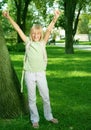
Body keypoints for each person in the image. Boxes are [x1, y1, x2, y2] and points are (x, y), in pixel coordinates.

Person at [3, 9, 60, 128]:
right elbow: (18, 29)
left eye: (38, 33)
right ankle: (35, 119)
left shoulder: (42, 43)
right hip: (29, 74)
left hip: (40, 74)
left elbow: (49, 30)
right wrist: (9, 18)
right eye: (33, 33)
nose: (36, 35)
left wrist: (55, 18)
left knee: (46, 97)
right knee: (32, 99)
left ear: (41, 34)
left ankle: (49, 116)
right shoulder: (28, 42)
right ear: (31, 34)